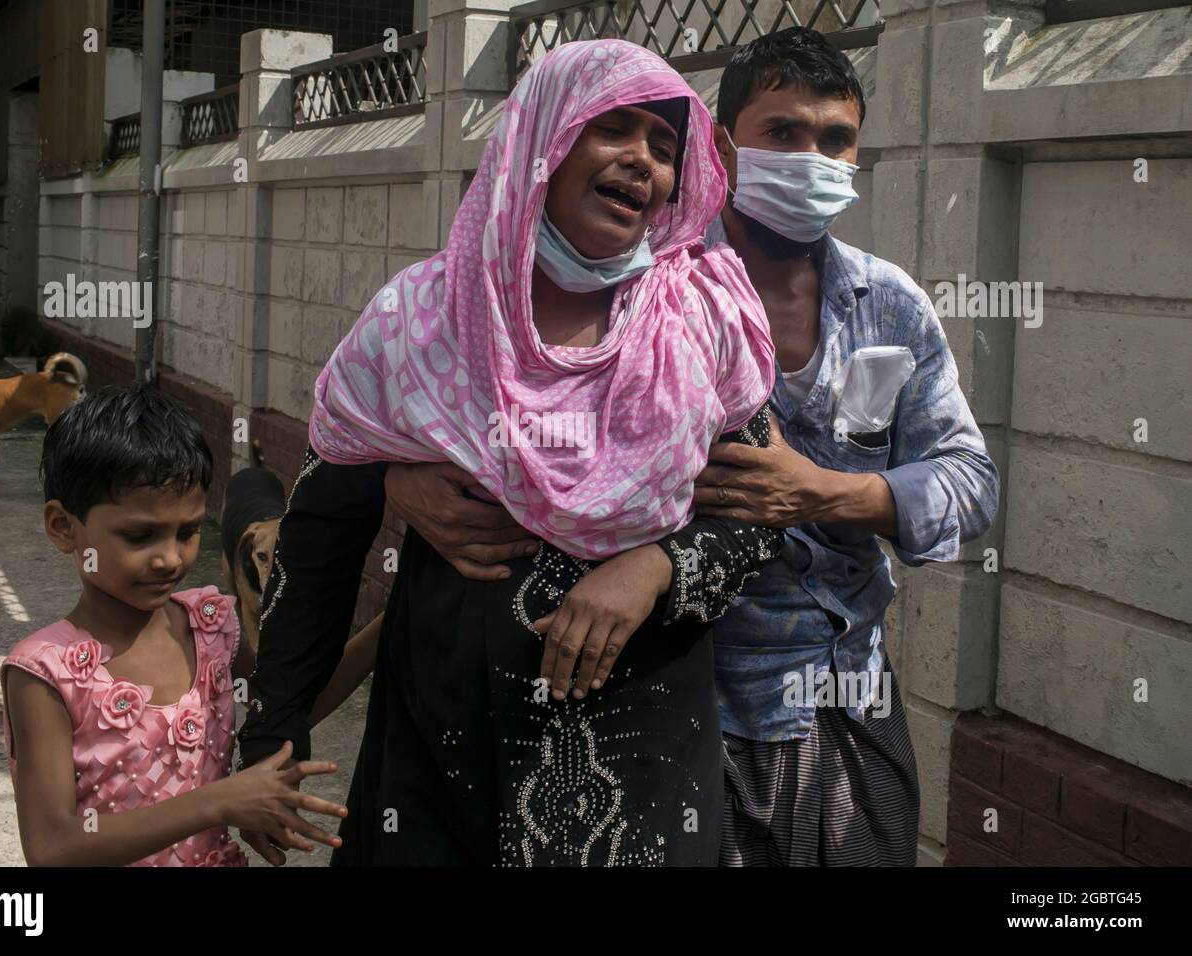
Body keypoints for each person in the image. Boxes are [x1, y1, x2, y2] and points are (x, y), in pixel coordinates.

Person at [383, 27, 1000, 867]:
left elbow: (970, 482)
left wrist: (821, 492)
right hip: (682, 697)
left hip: (847, 701)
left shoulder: (890, 307)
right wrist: (397, 476)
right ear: (723, 145)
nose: (812, 157)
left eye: (836, 140)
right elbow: (488, 419)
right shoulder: (636, 288)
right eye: (783, 133)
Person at [237, 39, 783, 867]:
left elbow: (761, 513)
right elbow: (318, 546)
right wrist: (270, 738)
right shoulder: (417, 323)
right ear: (543, 140)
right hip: (440, 758)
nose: (641, 161)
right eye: (615, 130)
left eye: (665, 147)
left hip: (639, 765)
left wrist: (654, 569)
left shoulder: (700, 320)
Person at [0, 385, 356, 866]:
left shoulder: (211, 630)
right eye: (140, 535)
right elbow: (52, 846)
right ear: (64, 528)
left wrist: (390, 623)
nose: (170, 558)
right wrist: (218, 801)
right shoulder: (44, 674)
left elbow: (289, 701)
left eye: (188, 532)